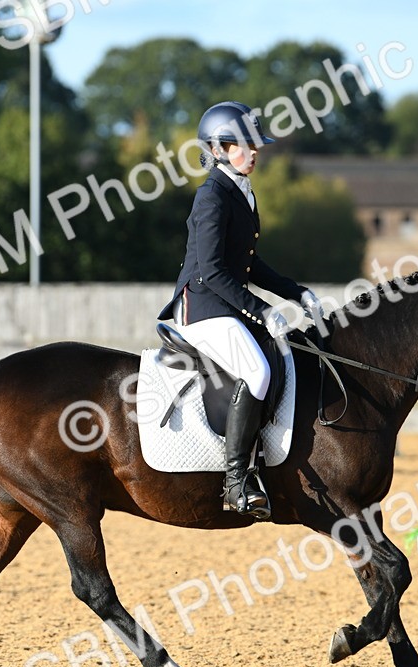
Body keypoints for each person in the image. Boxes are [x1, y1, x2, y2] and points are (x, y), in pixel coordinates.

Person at [158, 101, 322, 519]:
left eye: (255, 146)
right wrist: (261, 311)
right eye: (245, 146)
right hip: (203, 307)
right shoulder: (212, 196)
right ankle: (236, 481)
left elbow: (249, 265)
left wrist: (293, 292)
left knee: (284, 354)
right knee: (258, 371)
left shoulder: (241, 192)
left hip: (225, 303)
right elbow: (213, 272)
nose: (255, 153)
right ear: (218, 147)